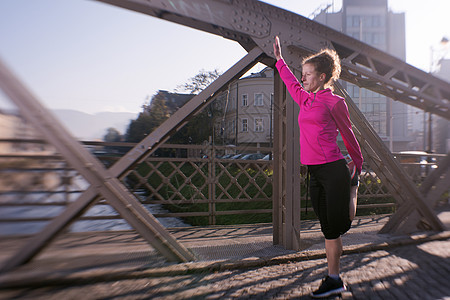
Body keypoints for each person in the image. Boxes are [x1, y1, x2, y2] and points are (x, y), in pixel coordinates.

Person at [273, 36, 363, 298]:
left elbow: (348, 135)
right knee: (326, 227)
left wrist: (357, 164)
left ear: (322, 76)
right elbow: (290, 82)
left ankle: (334, 278)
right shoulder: (305, 99)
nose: (303, 78)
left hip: (334, 169)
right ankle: (334, 278)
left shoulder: (335, 102)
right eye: (303, 74)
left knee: (336, 226)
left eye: (308, 74)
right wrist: (279, 60)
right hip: (313, 171)